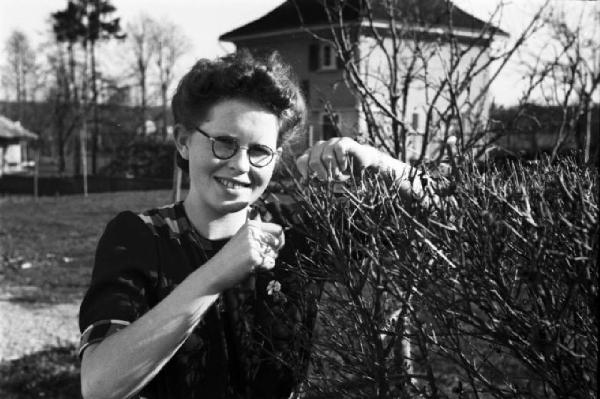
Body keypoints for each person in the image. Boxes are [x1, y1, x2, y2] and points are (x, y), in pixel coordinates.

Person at [79, 52, 424, 399]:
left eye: (260, 151)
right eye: (224, 143)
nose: (241, 165)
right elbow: (100, 384)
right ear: (183, 141)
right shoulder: (140, 238)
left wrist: (377, 162)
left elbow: (449, 215)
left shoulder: (296, 233)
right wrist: (215, 275)